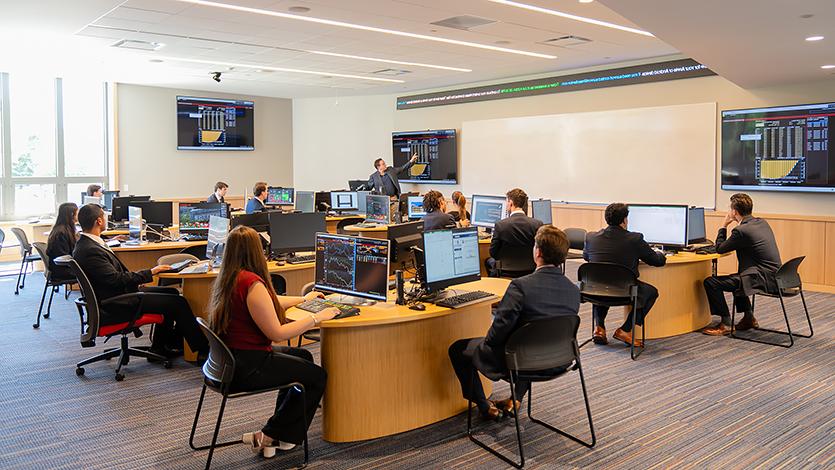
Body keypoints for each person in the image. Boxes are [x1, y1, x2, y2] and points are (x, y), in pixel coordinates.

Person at [208, 226, 337, 457]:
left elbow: (268, 301)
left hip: (230, 361)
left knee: (304, 358)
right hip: (248, 367)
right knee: (317, 377)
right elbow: (278, 333)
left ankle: (283, 432)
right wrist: (316, 317)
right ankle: (270, 434)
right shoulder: (252, 283)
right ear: (256, 251)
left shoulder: (230, 277)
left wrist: (303, 299)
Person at [449, 225, 579, 418]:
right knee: (531, 340)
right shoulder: (573, 290)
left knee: (458, 348)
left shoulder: (520, 286)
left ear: (538, 252)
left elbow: (498, 332)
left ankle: (485, 407)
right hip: (559, 360)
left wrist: (486, 344)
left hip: (521, 361)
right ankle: (515, 399)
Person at [72, 204, 208, 358]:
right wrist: (150, 272)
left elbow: (110, 278)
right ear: (99, 221)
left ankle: (161, 346)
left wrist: (137, 280)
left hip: (115, 295)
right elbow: (115, 279)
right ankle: (202, 351)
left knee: (172, 292)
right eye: (104, 217)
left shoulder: (87, 244)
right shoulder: (90, 250)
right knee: (178, 303)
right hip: (116, 303)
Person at [583, 203, 666, 347]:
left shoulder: (591, 237)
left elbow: (586, 257)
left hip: (593, 291)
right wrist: (661, 253)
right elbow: (657, 261)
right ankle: (625, 330)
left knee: (601, 282)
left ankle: (599, 328)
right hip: (625, 291)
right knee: (651, 293)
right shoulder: (634, 239)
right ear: (624, 220)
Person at [701, 193, 781, 336]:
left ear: (734, 212)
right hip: (777, 276)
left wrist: (724, 225)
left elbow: (720, 248)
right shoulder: (762, 222)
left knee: (711, 282)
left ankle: (725, 323)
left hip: (761, 278)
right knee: (740, 275)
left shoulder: (741, 231)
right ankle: (749, 318)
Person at [485, 188, 543, 277]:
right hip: (531, 270)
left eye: (507, 202)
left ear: (511, 203)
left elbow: (493, 253)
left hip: (505, 271)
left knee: (488, 261)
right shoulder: (537, 224)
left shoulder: (500, 225)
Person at [47, 202, 79, 280]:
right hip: (63, 270)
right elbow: (63, 257)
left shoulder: (64, 229)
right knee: (94, 271)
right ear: (72, 215)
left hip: (63, 268)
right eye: (77, 212)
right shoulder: (61, 233)